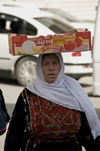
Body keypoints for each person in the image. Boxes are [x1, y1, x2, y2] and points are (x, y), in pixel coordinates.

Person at [4, 53, 100, 151]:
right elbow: (15, 130)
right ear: (39, 67)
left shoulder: (74, 91)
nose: (51, 68)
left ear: (61, 66)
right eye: (46, 64)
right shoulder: (28, 93)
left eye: (54, 63)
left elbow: (87, 129)